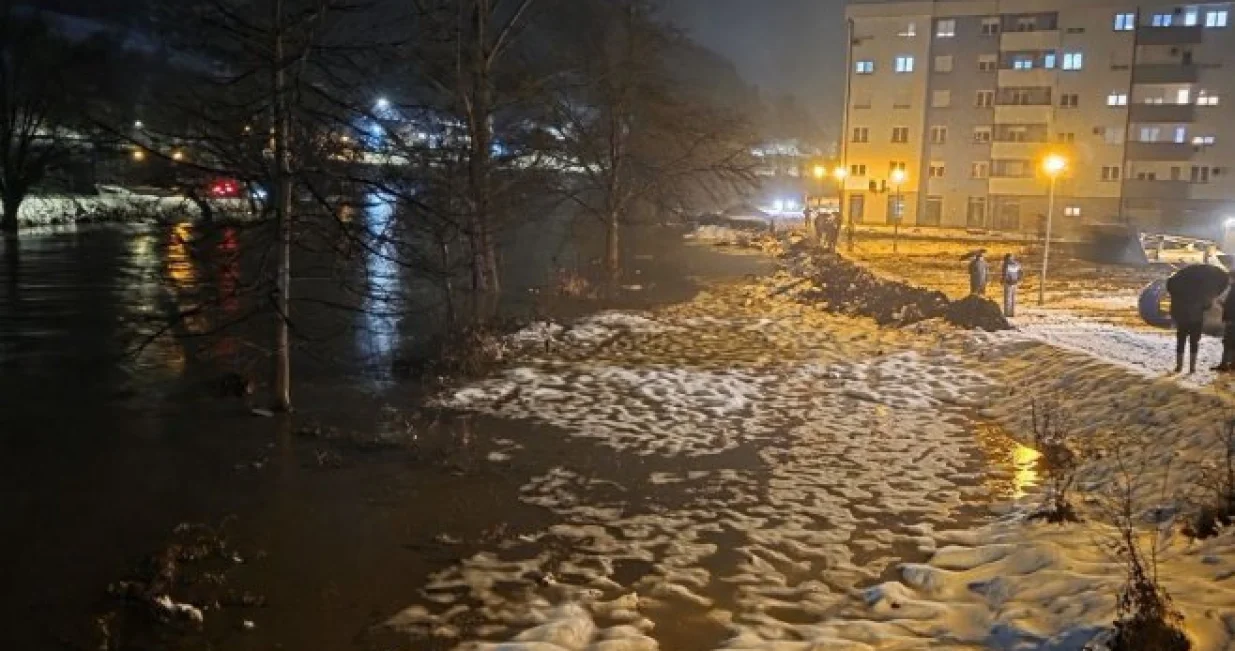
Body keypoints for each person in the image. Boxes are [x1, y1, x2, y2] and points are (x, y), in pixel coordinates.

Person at [1216, 272, 1235, 372]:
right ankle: (1232, 363)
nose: (1229, 280)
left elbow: (1231, 306)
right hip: (1232, 319)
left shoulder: (1233, 289)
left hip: (1231, 320)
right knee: (1231, 342)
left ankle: (1224, 364)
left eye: (1230, 278)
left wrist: (1221, 303)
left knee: (1228, 342)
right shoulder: (1232, 288)